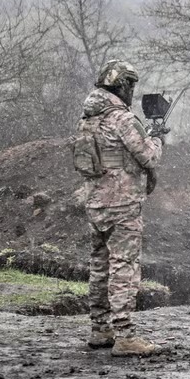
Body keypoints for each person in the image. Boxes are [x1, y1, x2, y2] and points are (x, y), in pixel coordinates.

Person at [75, 60, 164, 356]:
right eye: (131, 87)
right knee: (123, 267)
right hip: (123, 204)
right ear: (122, 86)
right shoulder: (122, 119)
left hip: (96, 202)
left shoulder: (88, 118)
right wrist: (157, 139)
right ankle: (125, 335)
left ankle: (100, 329)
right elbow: (146, 157)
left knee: (99, 267)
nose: (132, 93)